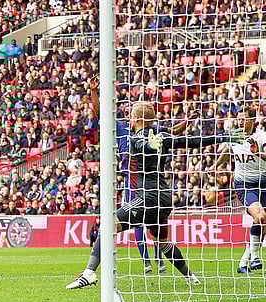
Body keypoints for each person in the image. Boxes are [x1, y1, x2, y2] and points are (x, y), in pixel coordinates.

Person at [66, 102, 244, 289]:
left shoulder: (133, 138)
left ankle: (89, 272)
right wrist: (224, 136)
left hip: (146, 197)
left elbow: (141, 144)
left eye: (131, 116)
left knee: (108, 226)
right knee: (161, 241)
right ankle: (191, 277)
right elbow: (192, 141)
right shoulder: (162, 136)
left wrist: (149, 146)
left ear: (135, 118)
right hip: (165, 197)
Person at [209, 109, 265, 274]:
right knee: (260, 217)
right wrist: (215, 165)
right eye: (239, 119)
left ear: (252, 120)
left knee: (262, 224)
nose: (240, 122)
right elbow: (227, 151)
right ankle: (255, 258)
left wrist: (258, 153)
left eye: (244, 119)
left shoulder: (262, 137)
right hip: (244, 184)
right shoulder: (234, 136)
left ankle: (242, 264)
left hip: (264, 183)